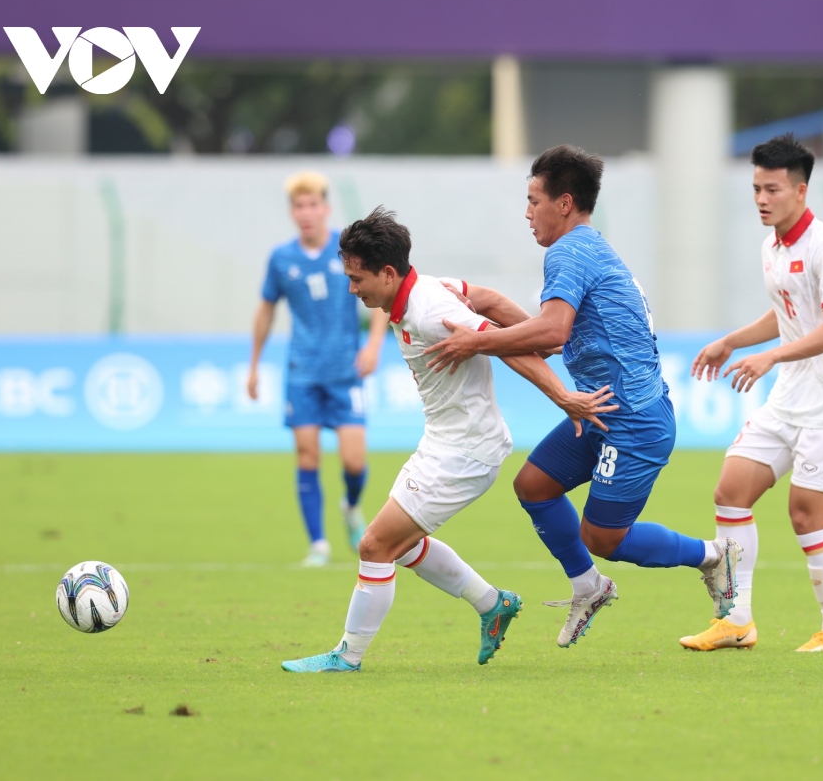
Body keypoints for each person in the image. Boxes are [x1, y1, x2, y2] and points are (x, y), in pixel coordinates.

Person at [424, 145, 740, 649]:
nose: (527, 213)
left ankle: (712, 555)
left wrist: (476, 341)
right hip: (601, 409)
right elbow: (548, 333)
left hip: (633, 419)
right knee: (534, 486)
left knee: (602, 537)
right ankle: (588, 586)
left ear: (565, 203)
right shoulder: (586, 249)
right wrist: (479, 298)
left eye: (534, 201)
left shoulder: (569, 252)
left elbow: (550, 333)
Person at [281, 207, 616, 673]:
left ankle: (347, 656)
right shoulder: (427, 287)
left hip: (464, 452)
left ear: (388, 273)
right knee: (400, 544)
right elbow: (489, 299)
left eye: (357, 279)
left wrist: (562, 395)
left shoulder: (430, 309)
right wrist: (541, 338)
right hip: (444, 442)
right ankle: (492, 604)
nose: (352, 289)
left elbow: (501, 344)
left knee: (374, 546)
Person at [678, 134, 823, 654]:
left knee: (807, 517)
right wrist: (732, 341)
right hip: (788, 401)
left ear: (801, 191)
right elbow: (786, 310)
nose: (762, 199)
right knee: (730, 492)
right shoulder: (772, 247)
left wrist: (771, 357)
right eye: (756, 189)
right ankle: (735, 621)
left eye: (773, 190)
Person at [247, 172, 389, 567]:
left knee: (354, 462)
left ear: (325, 208)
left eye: (313, 205)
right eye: (299, 206)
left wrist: (374, 345)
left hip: (346, 371)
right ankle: (319, 544)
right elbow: (265, 310)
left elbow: (382, 292)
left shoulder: (347, 251)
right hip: (302, 373)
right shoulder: (281, 258)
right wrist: (254, 365)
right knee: (307, 456)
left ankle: (351, 505)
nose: (306, 212)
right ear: (292, 212)